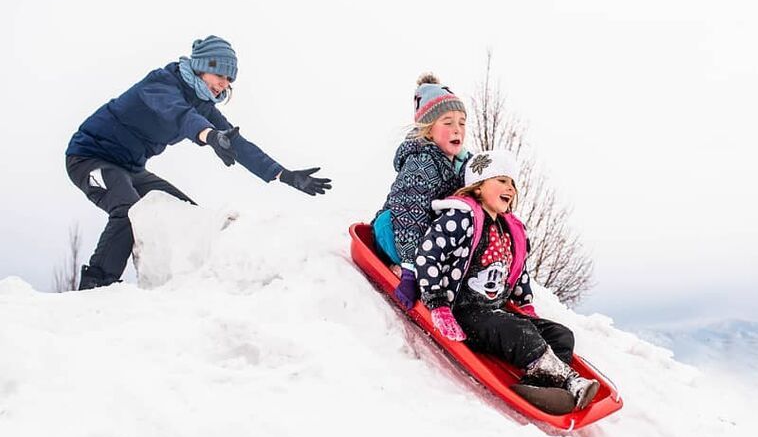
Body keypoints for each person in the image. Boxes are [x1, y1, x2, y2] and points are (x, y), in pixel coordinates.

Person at [65, 35, 332, 290]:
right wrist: (210, 136)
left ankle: (179, 286)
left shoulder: (202, 106)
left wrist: (283, 175)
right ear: (202, 68)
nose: (224, 84)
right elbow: (181, 116)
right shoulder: (161, 84)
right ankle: (96, 284)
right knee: (129, 210)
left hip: (131, 168)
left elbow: (237, 144)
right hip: (89, 158)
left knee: (185, 213)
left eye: (229, 80)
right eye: (220, 76)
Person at [413, 150, 600, 411]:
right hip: (465, 313)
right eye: (501, 180)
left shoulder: (508, 229)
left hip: (496, 312)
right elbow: (428, 255)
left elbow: (517, 270)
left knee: (561, 335)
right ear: (477, 186)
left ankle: (541, 387)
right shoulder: (460, 218)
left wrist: (525, 305)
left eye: (512, 183)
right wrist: (438, 304)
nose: (510, 188)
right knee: (516, 331)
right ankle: (570, 381)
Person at [372, 73, 471, 308]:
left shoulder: (463, 165)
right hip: (396, 233)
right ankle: (402, 267)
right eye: (447, 122)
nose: (457, 129)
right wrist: (410, 268)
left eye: (462, 122)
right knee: (397, 219)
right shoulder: (421, 162)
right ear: (428, 131)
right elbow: (409, 211)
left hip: (431, 243)